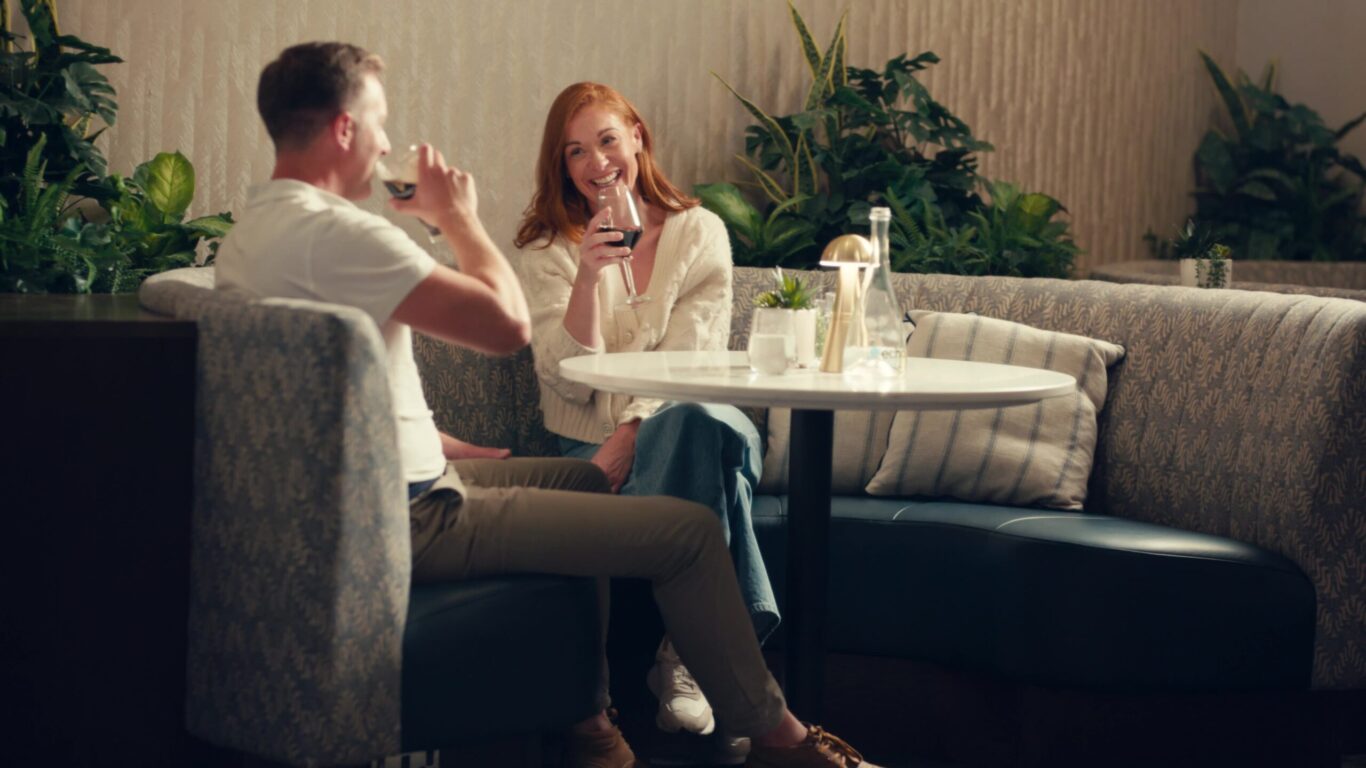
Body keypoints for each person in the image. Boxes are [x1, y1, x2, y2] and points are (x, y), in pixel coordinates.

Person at [217, 42, 880, 768]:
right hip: (406, 512)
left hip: (371, 488)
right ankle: (786, 743)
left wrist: (433, 437)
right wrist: (456, 218)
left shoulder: (254, 235)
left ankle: (588, 725)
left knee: (586, 480)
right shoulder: (344, 236)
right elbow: (504, 328)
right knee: (689, 533)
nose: (384, 144)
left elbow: (334, 382)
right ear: (345, 128)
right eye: (378, 122)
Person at [515, 82, 777, 742]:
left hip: (683, 422)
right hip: (588, 441)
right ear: (562, 165)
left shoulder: (699, 233)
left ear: (637, 137)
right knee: (719, 463)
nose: (596, 162)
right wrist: (586, 276)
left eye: (607, 140)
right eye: (576, 151)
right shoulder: (547, 249)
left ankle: (684, 654)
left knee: (698, 422)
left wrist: (630, 436)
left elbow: (691, 361)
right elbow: (565, 383)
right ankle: (697, 659)